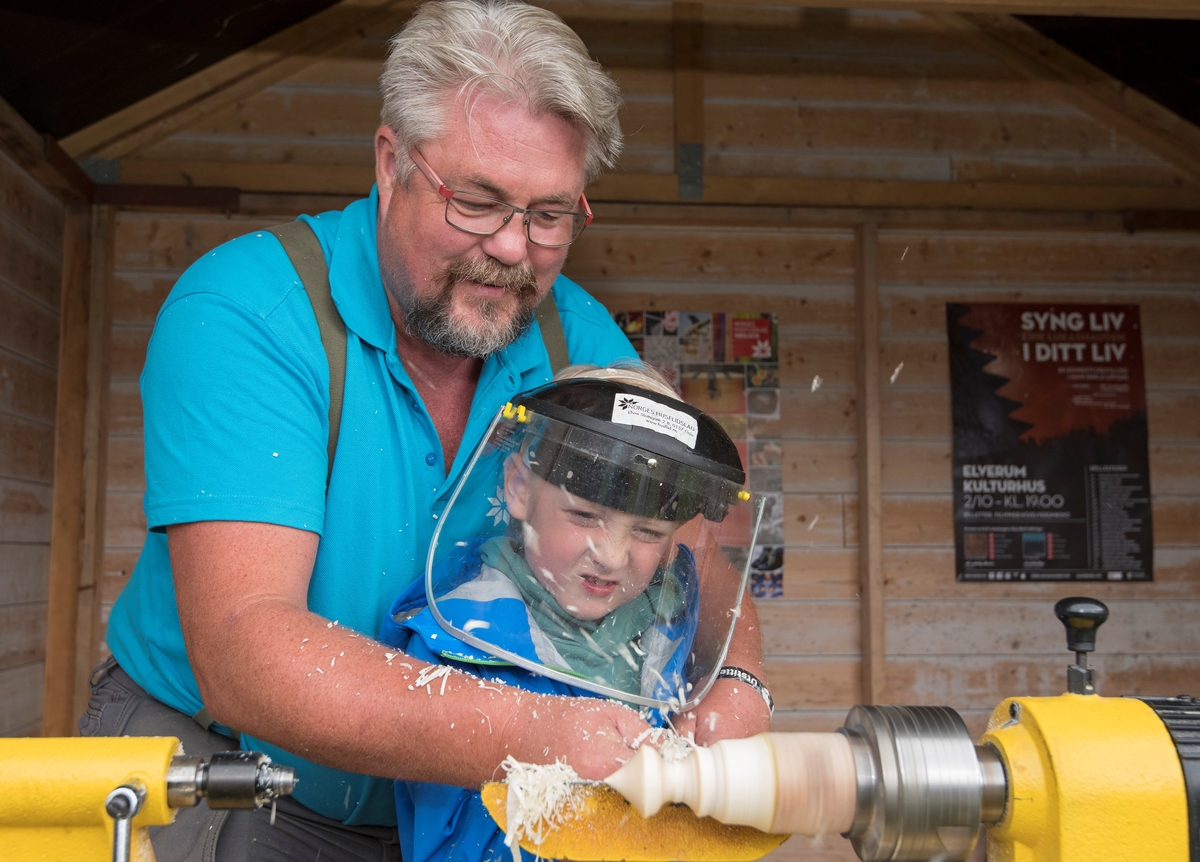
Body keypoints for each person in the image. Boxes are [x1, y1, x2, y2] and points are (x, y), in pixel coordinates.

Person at [82, 2, 771, 860]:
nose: (515, 249)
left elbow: (694, 546)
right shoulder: (248, 311)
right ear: (389, 162)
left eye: (550, 216)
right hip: (224, 763)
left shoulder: (575, 341)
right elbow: (246, 652)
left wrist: (738, 681)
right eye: (478, 201)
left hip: (457, 794)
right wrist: (540, 733)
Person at [380, 364, 764, 862]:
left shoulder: (666, 626)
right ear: (518, 486)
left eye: (648, 532)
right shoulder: (457, 639)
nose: (611, 555)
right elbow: (453, 842)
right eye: (584, 516)